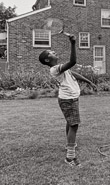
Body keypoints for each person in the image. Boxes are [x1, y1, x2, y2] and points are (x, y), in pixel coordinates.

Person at [38, 34, 93, 167]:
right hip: (68, 100)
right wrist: (73, 44)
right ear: (47, 60)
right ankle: (70, 157)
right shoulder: (54, 69)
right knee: (74, 125)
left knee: (70, 122)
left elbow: (73, 73)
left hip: (71, 98)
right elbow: (73, 62)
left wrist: (88, 80)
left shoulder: (61, 68)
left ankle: (70, 145)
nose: (54, 52)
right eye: (51, 52)